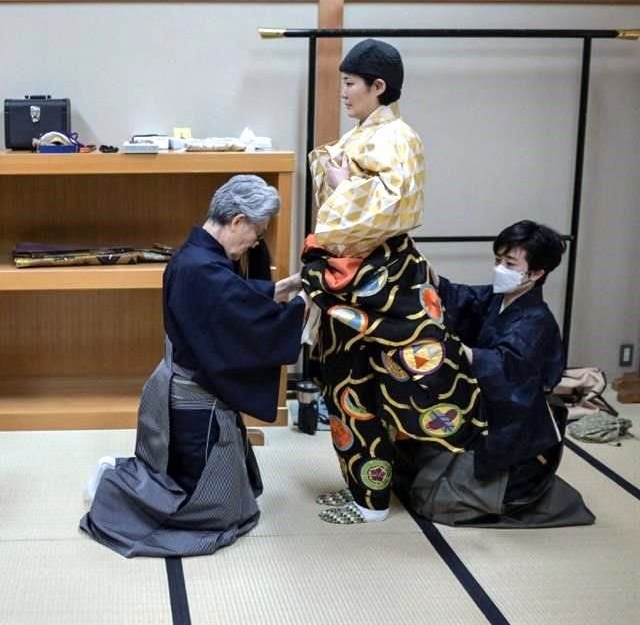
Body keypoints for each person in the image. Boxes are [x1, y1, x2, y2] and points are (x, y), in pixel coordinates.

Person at [301, 39, 485, 524]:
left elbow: (392, 205)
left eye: (350, 84)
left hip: (385, 278)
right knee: (347, 390)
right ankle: (365, 494)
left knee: (394, 386)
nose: (343, 93)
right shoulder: (363, 134)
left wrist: (342, 186)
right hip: (348, 277)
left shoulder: (398, 136)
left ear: (378, 87)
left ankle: (378, 497)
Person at [79, 175, 306, 557]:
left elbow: (236, 300)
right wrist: (303, 308)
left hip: (181, 390)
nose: (255, 242)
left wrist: (287, 288)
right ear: (237, 221)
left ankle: (124, 482)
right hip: (194, 403)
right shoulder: (202, 269)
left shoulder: (199, 257)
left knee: (230, 499)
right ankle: (115, 487)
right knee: (207, 513)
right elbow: (243, 317)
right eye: (257, 231)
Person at [392, 221, 595, 527]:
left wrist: (455, 350)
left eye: (509, 263)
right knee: (405, 466)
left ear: (537, 273)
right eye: (498, 260)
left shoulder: (536, 321)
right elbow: (451, 295)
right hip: (484, 417)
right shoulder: (495, 298)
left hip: (513, 431)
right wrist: (405, 247)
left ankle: (514, 488)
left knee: (433, 502)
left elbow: (503, 367)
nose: (499, 268)